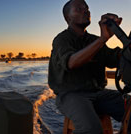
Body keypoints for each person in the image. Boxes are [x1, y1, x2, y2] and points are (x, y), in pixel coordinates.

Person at [48, 0, 131, 133]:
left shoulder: (93, 40)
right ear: (68, 17)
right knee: (91, 129)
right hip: (71, 95)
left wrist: (128, 47)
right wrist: (103, 39)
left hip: (99, 94)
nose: (85, 11)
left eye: (86, 8)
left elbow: (114, 59)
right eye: (79, 9)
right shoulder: (62, 40)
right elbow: (71, 62)